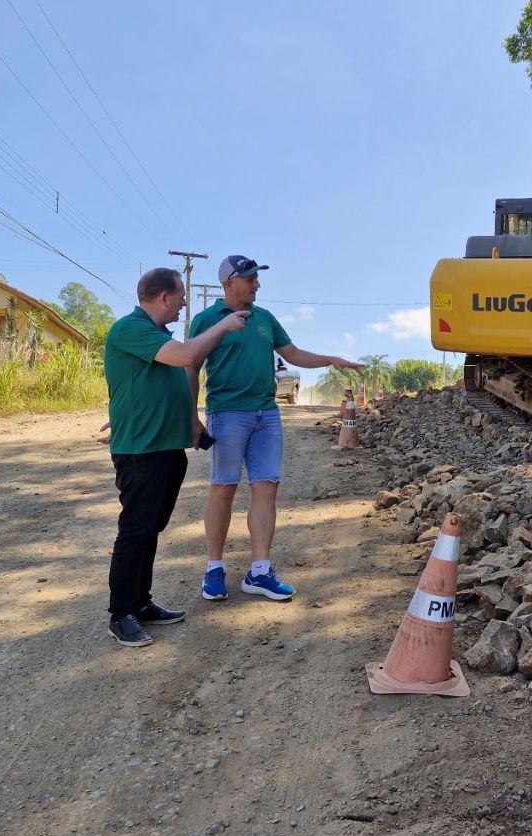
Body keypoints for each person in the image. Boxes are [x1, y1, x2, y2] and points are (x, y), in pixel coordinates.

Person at [187, 255, 362, 603]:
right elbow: (190, 366)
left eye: (256, 278)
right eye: (250, 278)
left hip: (267, 415)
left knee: (266, 487)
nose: (257, 284)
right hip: (227, 414)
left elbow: (293, 353)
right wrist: (191, 416)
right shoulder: (207, 320)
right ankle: (214, 569)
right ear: (229, 282)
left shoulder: (265, 319)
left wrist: (330, 358)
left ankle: (260, 572)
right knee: (223, 487)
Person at [102, 267, 249, 647]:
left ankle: (142, 602)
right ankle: (121, 613)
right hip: (141, 453)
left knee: (150, 530)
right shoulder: (130, 329)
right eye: (181, 294)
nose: (185, 301)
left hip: (165, 450)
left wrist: (192, 424)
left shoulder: (153, 336)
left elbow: (145, 387)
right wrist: (223, 326)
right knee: (135, 531)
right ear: (163, 296)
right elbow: (187, 355)